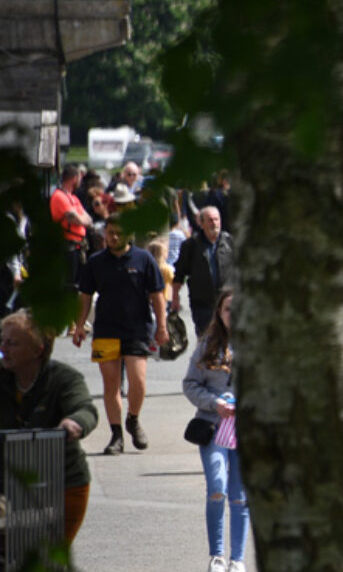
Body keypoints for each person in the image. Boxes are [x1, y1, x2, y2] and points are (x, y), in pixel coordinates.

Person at [0, 310, 98, 544]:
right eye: (2, 341)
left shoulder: (64, 378)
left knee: (50, 552)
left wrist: (74, 423)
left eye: (12, 344)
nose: (3, 349)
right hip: (7, 481)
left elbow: (85, 408)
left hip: (61, 481)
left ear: (38, 350)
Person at [74, 216, 168, 456]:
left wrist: (162, 326)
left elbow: (157, 295)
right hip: (105, 330)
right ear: (104, 234)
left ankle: (133, 419)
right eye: (110, 233)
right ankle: (116, 435)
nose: (114, 237)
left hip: (137, 329)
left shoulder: (143, 259)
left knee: (138, 380)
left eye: (119, 233)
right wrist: (79, 325)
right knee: (111, 384)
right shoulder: (95, 262)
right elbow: (85, 296)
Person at [182, 289, 250, 572]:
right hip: (213, 428)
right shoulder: (207, 345)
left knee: (240, 495)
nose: (232, 315)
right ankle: (217, 558)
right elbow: (190, 384)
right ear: (219, 313)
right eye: (227, 309)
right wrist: (214, 403)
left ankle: (238, 561)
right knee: (217, 487)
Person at [172, 206, 235, 337]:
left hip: (227, 302)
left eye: (216, 220)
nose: (214, 223)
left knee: (229, 339)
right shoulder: (191, 245)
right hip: (202, 305)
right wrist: (175, 298)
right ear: (201, 224)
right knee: (207, 340)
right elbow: (179, 274)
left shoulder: (230, 242)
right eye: (210, 220)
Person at [50, 164, 92, 287]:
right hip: (67, 246)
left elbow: (88, 219)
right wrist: (80, 218)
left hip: (79, 246)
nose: (80, 181)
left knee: (78, 283)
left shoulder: (73, 198)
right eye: (80, 178)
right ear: (74, 178)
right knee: (69, 283)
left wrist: (80, 218)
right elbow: (76, 219)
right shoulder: (59, 196)